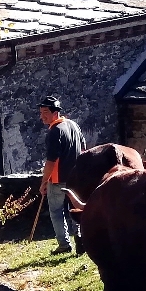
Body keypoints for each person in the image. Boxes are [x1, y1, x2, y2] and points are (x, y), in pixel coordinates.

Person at [39, 95, 88, 254]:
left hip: (58, 180)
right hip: (76, 178)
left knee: (56, 212)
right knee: (76, 209)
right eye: (41, 112)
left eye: (45, 112)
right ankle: (80, 239)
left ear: (55, 113)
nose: (42, 116)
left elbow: (51, 161)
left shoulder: (54, 132)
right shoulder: (73, 125)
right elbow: (83, 148)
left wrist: (44, 181)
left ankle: (64, 245)